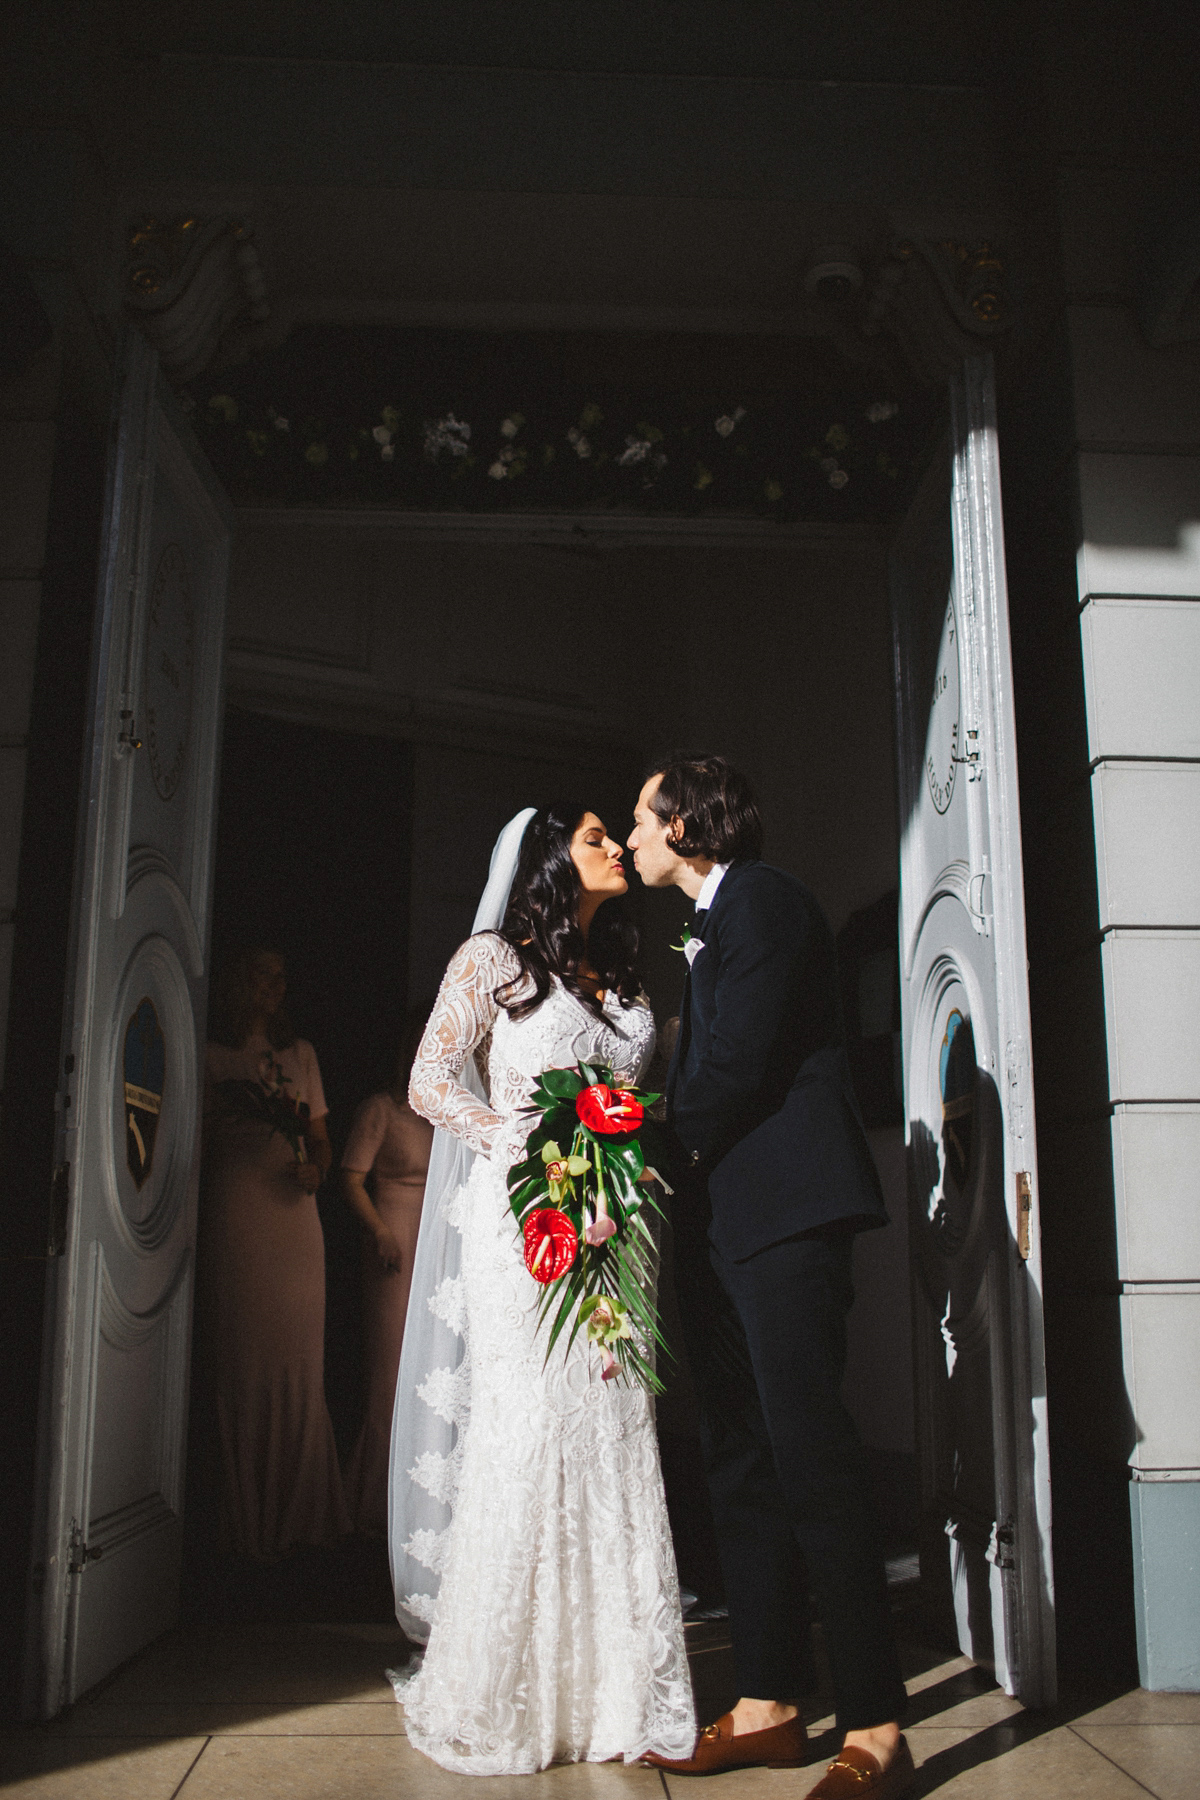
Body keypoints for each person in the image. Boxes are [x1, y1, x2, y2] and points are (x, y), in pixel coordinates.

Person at [629, 755, 915, 1800]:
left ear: (690, 822)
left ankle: (880, 1723)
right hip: (723, 1227)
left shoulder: (768, 901)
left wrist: (634, 1159)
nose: (634, 835)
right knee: (740, 1461)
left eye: (643, 818)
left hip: (790, 1218)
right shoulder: (711, 920)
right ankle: (769, 1702)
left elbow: (736, 1066)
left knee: (811, 1460)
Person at [390, 804, 696, 1776]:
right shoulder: (494, 962)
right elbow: (430, 1080)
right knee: (529, 1429)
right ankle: (499, 1691)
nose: (616, 850)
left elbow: (645, 1093)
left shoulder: (626, 972)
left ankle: (618, 1692)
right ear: (550, 859)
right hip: (529, 1223)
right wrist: (520, 1143)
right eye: (598, 837)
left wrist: (631, 1153)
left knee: (616, 1432)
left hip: (623, 1222)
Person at [200, 947, 349, 1560]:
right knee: (240, 1358)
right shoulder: (211, 1055)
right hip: (238, 1213)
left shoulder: (301, 1055)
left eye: (283, 976)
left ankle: (298, 1514)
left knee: (296, 1359)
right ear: (240, 983)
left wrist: (316, 1167)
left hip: (295, 1221)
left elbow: (322, 1141)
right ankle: (240, 1516)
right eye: (264, 975)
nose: (277, 986)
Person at [339, 1010, 435, 1537]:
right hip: (393, 1239)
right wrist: (379, 1232)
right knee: (392, 1369)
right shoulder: (382, 1109)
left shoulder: (442, 1112)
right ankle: (378, 1502)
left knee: (431, 1368)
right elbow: (350, 1178)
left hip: (437, 1237)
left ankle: (427, 1496)